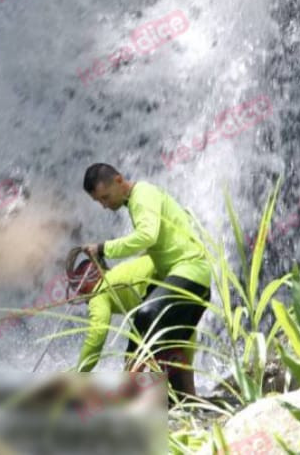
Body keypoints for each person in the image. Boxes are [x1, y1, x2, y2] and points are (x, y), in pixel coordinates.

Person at [81, 163, 211, 396]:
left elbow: (146, 236)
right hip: (190, 280)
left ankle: (131, 402)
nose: (104, 205)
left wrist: (103, 248)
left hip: (190, 272)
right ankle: (184, 404)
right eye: (98, 201)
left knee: (145, 316)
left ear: (119, 181)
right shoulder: (139, 200)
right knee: (155, 344)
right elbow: (156, 242)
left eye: (105, 197)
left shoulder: (142, 195)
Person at [71, 255, 197, 395]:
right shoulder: (121, 273)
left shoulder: (99, 293)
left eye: (78, 286)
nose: (78, 293)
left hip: (162, 291)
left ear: (88, 280)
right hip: (188, 276)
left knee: (137, 358)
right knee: (167, 350)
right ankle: (189, 398)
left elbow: (97, 335)